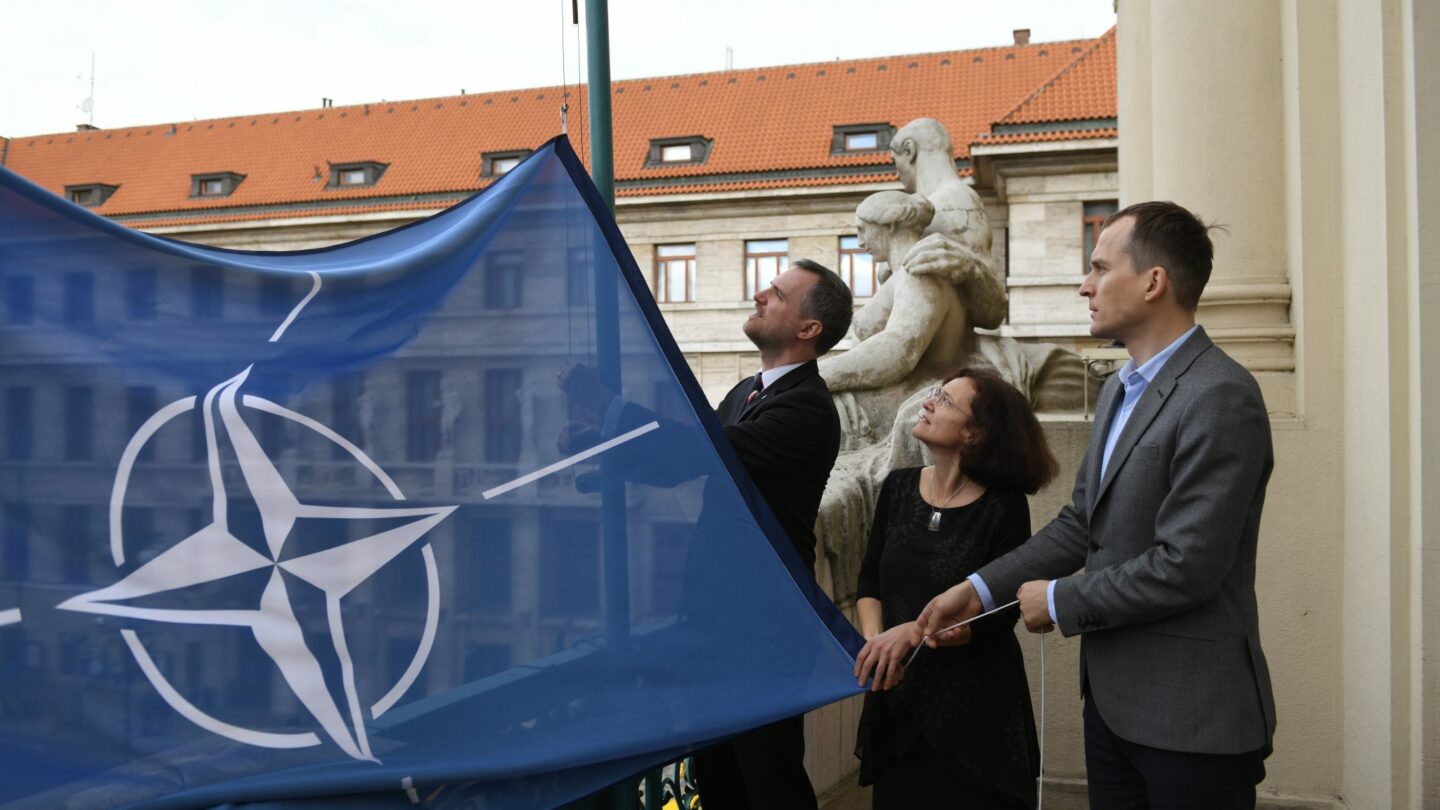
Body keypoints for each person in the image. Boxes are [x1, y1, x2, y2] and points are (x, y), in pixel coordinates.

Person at [914, 201, 1277, 809]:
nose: (1085, 284)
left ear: (1153, 282)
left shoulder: (1221, 395)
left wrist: (1059, 599)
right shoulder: (1116, 390)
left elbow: (1188, 565)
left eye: (1100, 268)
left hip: (1193, 718)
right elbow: (1081, 524)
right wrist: (977, 590)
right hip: (1112, 706)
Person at [559, 258, 854, 810]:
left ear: (808, 329)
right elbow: (682, 464)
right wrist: (603, 456)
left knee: (769, 781)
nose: (760, 294)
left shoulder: (809, 408)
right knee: (719, 780)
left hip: (765, 628)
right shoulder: (749, 390)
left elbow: (711, 452)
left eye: (778, 293)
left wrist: (606, 406)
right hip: (715, 616)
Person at [852, 367, 1056, 809]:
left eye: (944, 401)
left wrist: (912, 634)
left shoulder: (1003, 507)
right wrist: (876, 644)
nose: (927, 403)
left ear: (975, 432)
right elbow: (869, 579)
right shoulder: (898, 487)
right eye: (935, 394)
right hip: (897, 695)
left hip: (974, 712)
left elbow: (1000, 612)